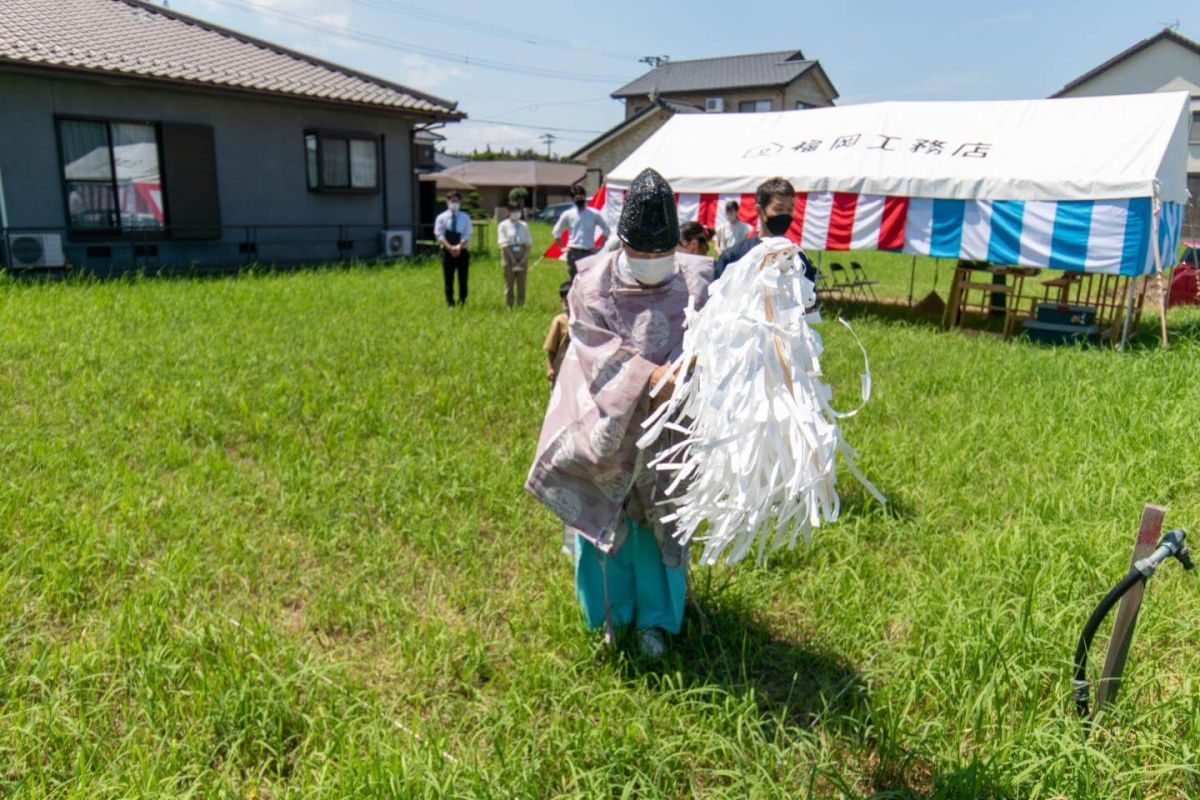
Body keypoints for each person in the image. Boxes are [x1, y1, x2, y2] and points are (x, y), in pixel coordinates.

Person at [526, 167, 714, 658]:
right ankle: (611, 616)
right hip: (603, 429)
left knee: (660, 526)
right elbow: (593, 350)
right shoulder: (591, 286)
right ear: (622, 242)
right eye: (642, 253)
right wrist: (650, 376)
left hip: (668, 430)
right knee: (608, 526)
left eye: (661, 253)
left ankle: (657, 622)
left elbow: (713, 340)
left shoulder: (697, 281)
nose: (652, 262)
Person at [713, 177, 815, 285]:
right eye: (779, 209)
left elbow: (809, 298)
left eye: (790, 209)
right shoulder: (734, 257)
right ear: (759, 211)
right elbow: (718, 298)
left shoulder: (797, 258)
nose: (785, 214)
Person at [552, 185, 611, 279]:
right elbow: (556, 231)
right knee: (574, 281)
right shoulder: (568, 214)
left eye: (581, 197)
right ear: (573, 199)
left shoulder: (594, 213)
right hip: (573, 252)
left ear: (584, 196)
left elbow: (606, 230)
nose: (579, 199)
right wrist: (561, 247)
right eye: (576, 198)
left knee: (588, 281)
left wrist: (600, 246)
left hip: (589, 252)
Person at [434, 190, 473, 307]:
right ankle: (450, 302)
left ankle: (462, 301)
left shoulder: (465, 217)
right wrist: (450, 247)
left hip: (463, 251)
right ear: (447, 202)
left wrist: (459, 246)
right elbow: (439, 234)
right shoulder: (441, 217)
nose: (454, 203)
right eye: (452, 201)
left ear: (460, 202)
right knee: (448, 278)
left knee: (463, 278)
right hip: (447, 251)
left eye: (456, 201)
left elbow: (468, 233)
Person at [497, 201, 533, 309]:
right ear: (508, 211)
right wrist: (512, 258)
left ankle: (520, 305)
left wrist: (524, 258)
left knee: (521, 283)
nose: (516, 213)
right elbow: (503, 243)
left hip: (522, 253)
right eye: (513, 210)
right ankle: (509, 305)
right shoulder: (503, 225)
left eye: (518, 210)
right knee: (509, 282)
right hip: (509, 253)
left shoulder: (524, 225)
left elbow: (528, 243)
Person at [543, 281, 572, 385]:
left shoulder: (584, 320)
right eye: (565, 301)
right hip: (560, 368)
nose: (568, 304)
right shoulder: (559, 321)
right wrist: (550, 367)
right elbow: (551, 348)